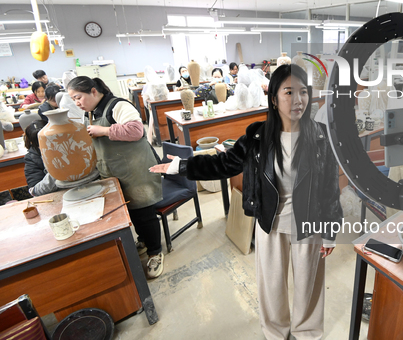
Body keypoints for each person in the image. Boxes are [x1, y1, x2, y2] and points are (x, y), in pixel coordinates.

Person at [150, 64, 343, 339]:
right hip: (270, 223)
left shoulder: (321, 136)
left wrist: (331, 232)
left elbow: (329, 187)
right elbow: (223, 164)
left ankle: (307, 331)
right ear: (274, 99)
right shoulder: (257, 136)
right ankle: (276, 331)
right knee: (272, 285)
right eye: (289, 92)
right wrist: (181, 167)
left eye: (303, 92)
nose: (297, 99)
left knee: (309, 284)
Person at [67, 76, 165, 279]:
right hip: (115, 171)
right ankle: (144, 241)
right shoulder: (92, 112)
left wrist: (103, 130)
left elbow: (137, 131)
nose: (77, 103)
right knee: (130, 210)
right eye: (73, 99)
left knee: (144, 212)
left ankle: (156, 252)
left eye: (78, 97)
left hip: (136, 170)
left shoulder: (117, 105)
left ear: (93, 91)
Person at [24, 120, 60, 196]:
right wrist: (59, 171)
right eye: (41, 144)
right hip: (54, 195)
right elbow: (34, 190)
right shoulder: (32, 158)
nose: (47, 146)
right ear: (33, 143)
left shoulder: (64, 147)